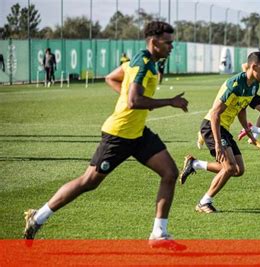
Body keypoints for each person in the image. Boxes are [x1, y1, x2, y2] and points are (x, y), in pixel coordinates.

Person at [23, 21, 189, 245]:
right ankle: (38, 216)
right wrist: (170, 101)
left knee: (169, 173)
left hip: (137, 133)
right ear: (154, 42)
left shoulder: (140, 60)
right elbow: (133, 101)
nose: (171, 46)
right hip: (119, 135)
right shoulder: (142, 65)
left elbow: (111, 77)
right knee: (89, 181)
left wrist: (134, 98)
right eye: (168, 42)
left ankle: (159, 234)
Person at [179, 52, 260, 213]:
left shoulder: (254, 85)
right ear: (253, 66)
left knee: (238, 170)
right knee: (228, 168)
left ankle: (195, 164)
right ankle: (204, 202)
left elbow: (241, 109)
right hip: (212, 126)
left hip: (224, 128)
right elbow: (215, 114)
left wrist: (248, 132)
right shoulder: (234, 84)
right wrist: (218, 143)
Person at [196, 43, 260, 150]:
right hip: (243, 90)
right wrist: (247, 83)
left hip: (250, 89)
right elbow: (246, 67)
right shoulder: (259, 59)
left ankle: (253, 137)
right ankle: (252, 135)